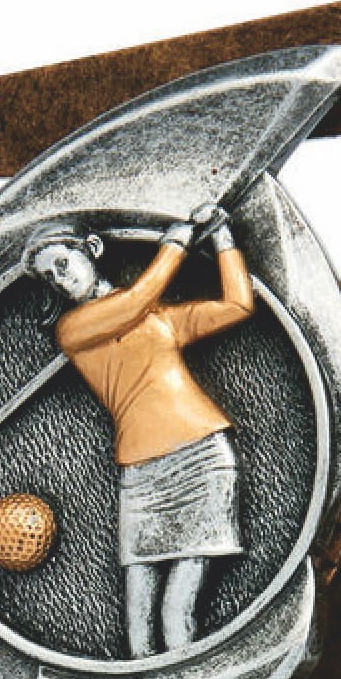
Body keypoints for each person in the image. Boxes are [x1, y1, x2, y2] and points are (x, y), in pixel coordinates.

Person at [24, 201, 255, 655]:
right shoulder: (73, 329)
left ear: (92, 249)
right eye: (50, 278)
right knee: (138, 624)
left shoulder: (157, 320)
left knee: (177, 612)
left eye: (63, 264)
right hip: (142, 477)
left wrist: (223, 237)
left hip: (202, 460)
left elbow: (238, 305)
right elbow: (134, 300)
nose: (61, 280)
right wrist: (175, 243)